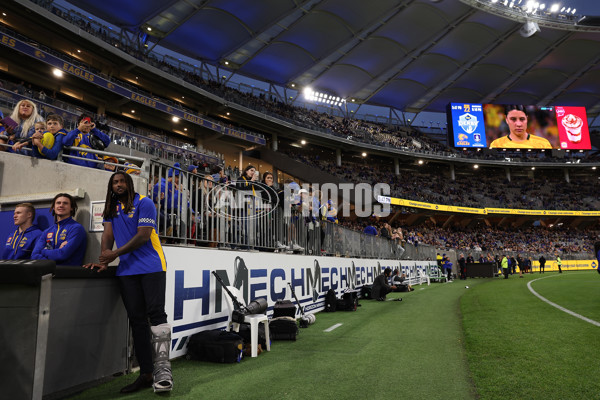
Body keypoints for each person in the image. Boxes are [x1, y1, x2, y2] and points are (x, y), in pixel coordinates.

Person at [83, 172, 173, 393]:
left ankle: (163, 372)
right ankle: (146, 373)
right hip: (126, 270)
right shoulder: (112, 209)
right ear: (111, 186)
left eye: (123, 181)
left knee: (156, 314)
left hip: (152, 265)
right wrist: (104, 258)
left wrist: (114, 254)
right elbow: (107, 236)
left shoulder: (145, 202)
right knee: (136, 320)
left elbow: (143, 235)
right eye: (115, 182)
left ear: (130, 184)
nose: (119, 185)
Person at [31, 193, 87, 265]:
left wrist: (43, 251)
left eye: (65, 203)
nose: (61, 205)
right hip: (49, 272)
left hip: (68, 273)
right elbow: (34, 255)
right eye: (58, 203)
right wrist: (56, 253)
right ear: (54, 207)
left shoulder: (76, 228)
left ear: (71, 208)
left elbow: (62, 254)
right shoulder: (47, 231)